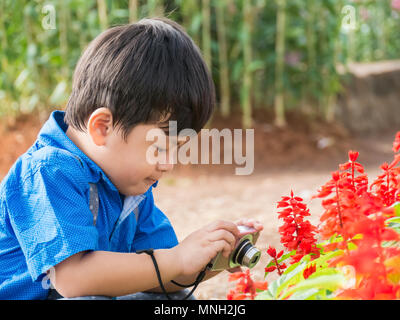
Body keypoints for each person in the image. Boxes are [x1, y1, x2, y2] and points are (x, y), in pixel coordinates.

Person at [0, 17, 263, 300]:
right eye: (160, 148)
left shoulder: (131, 188)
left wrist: (211, 257)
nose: (168, 164)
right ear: (102, 127)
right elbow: (72, 279)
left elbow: (165, 273)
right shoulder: (49, 171)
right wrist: (177, 259)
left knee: (173, 297)